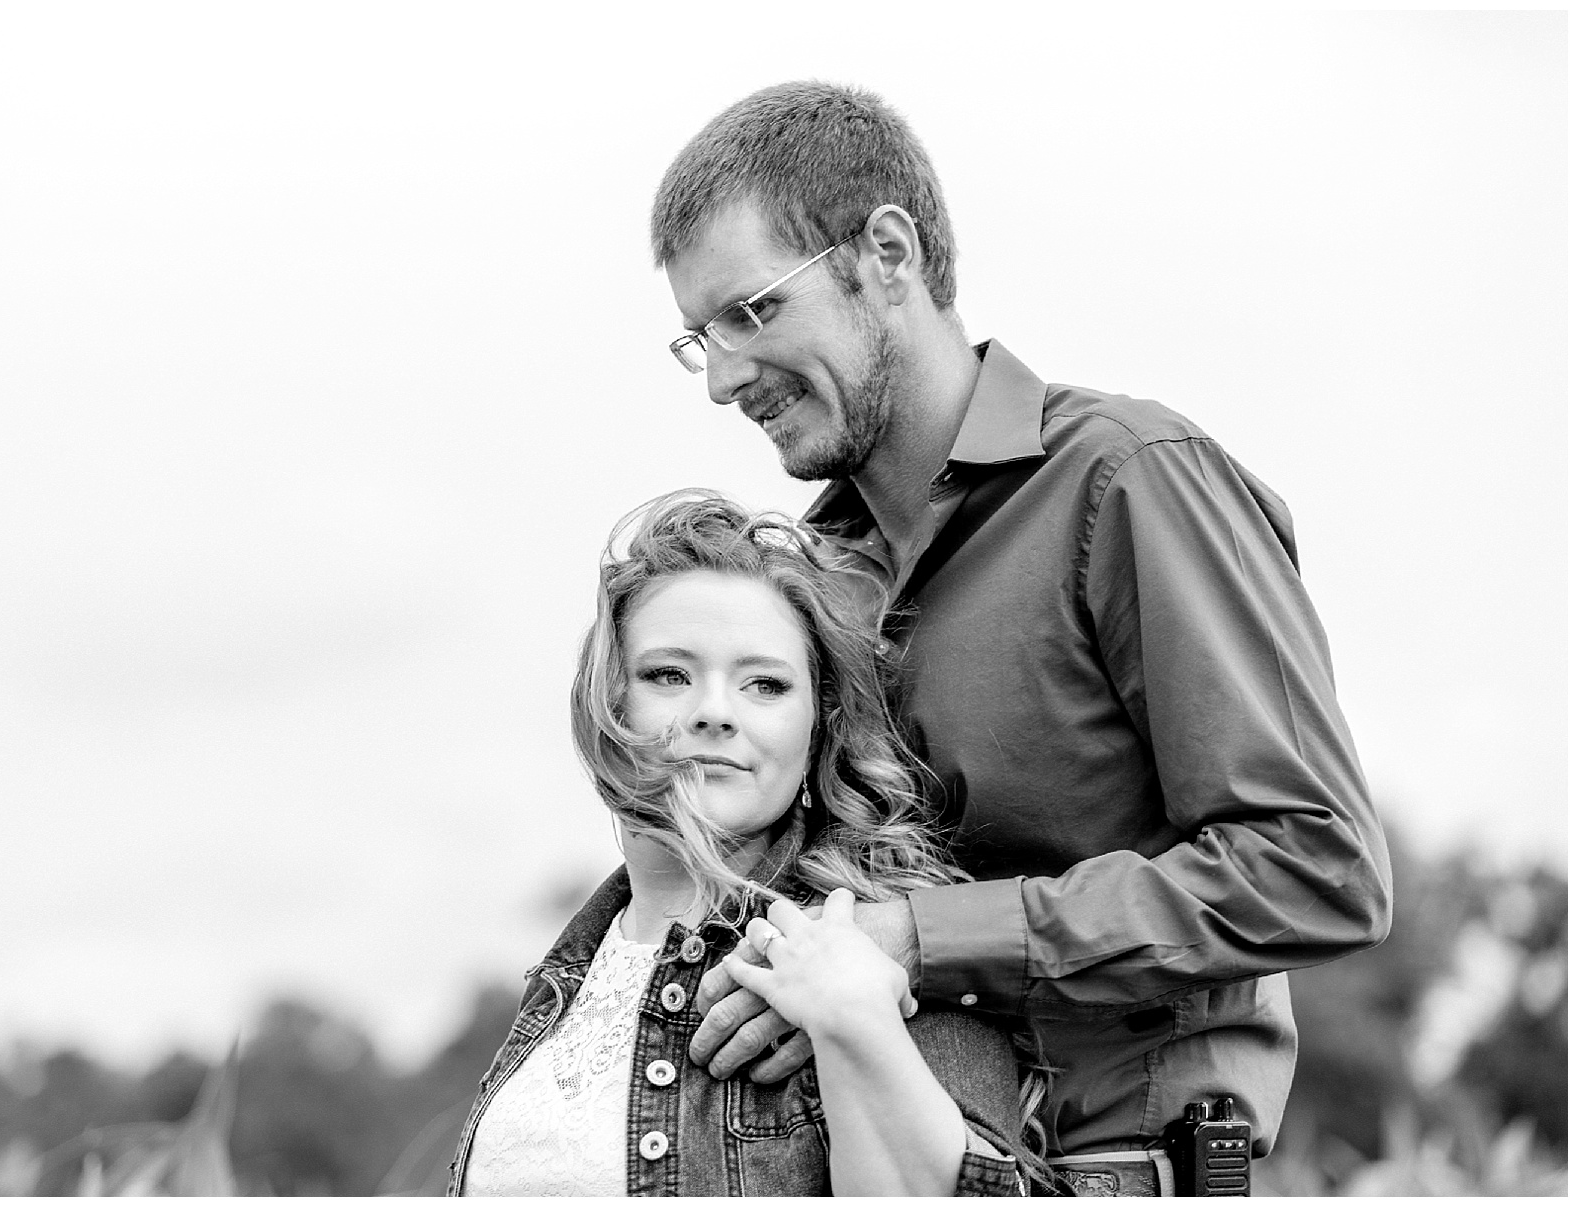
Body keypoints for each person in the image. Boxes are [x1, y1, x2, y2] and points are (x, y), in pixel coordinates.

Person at [650, 81, 1393, 1196]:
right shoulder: (811, 580)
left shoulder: (1131, 480)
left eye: (751, 314)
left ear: (887, 253)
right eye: (696, 337)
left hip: (1120, 1166)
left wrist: (919, 942)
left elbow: (1316, 865)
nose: (721, 379)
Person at [447, 491, 1045, 1196]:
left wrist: (856, 1019)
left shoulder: (884, 941)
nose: (714, 712)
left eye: (764, 683)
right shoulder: (571, 970)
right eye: (669, 674)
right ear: (607, 702)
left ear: (816, 730)